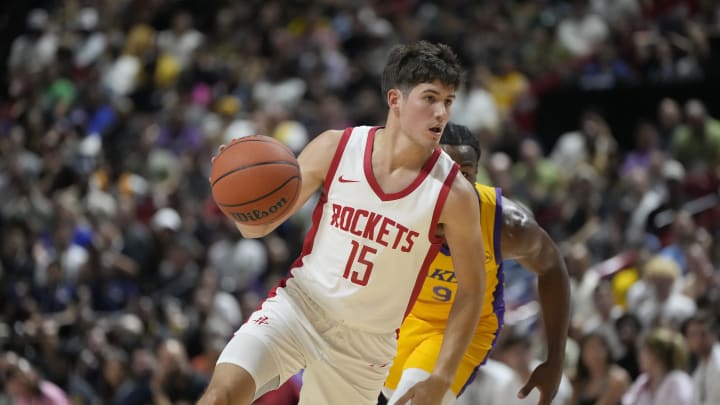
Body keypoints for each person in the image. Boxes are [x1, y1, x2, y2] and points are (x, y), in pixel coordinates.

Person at [198, 41, 487, 405]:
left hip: (366, 345)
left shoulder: (454, 194)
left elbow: (473, 289)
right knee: (219, 396)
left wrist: (442, 376)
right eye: (429, 98)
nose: (441, 112)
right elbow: (256, 226)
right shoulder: (337, 147)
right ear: (395, 100)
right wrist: (233, 192)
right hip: (300, 308)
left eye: (448, 101)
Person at [382, 123, 570, 405]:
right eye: (444, 173)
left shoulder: (506, 224)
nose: (455, 184)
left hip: (463, 328)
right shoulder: (397, 205)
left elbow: (552, 267)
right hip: (404, 318)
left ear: (476, 175)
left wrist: (555, 359)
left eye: (465, 174)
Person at [682, 311, 720, 405]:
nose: (698, 339)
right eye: (693, 335)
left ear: (714, 334)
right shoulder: (699, 369)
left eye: (703, 334)